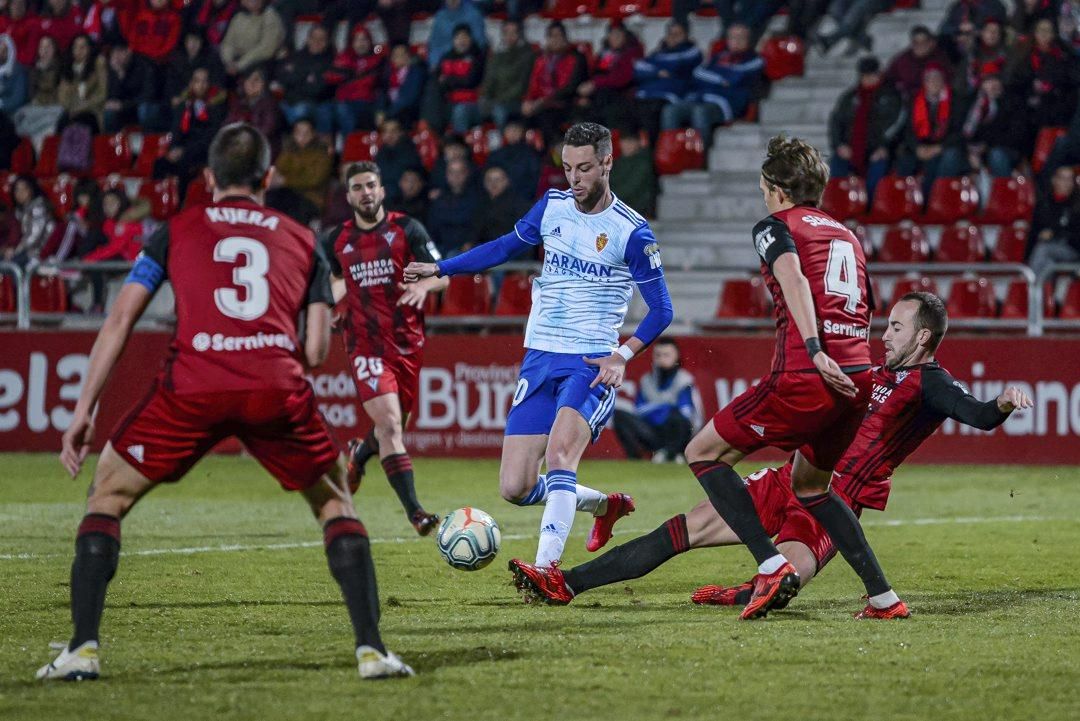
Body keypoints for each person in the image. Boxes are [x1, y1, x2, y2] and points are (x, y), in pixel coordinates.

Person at [36, 123, 413, 682]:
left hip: (193, 385)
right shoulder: (302, 239)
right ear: (266, 177)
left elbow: (120, 318)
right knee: (336, 503)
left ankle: (82, 651)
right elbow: (312, 352)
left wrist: (85, 409)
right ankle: (373, 652)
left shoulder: (175, 229)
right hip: (276, 388)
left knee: (107, 493)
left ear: (210, 178)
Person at [511, 293, 1033, 618]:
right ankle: (564, 583)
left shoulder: (931, 383)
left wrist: (1004, 402)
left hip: (833, 502)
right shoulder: (871, 373)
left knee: (783, 586)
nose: (884, 334)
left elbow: (979, 413)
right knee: (682, 530)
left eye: (895, 327)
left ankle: (746, 591)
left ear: (922, 336)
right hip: (790, 478)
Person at [405, 122, 674, 570]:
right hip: (541, 356)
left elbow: (662, 310)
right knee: (515, 487)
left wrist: (622, 355)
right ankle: (604, 506)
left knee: (561, 455)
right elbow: (504, 247)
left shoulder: (632, 232)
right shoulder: (552, 206)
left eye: (584, 168)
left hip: (590, 361)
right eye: (567, 167)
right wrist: (442, 269)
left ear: (608, 162)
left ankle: (546, 570)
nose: (574, 178)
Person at [319, 161, 445, 536]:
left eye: (371, 185)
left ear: (382, 190)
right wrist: (334, 307)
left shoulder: (407, 229)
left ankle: (359, 453)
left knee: (393, 428)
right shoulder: (335, 240)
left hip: (407, 344)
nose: (365, 193)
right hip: (365, 347)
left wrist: (424, 285)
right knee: (390, 425)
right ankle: (416, 513)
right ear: (349, 196)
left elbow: (442, 273)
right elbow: (334, 280)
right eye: (357, 188)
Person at [660, 23, 764, 143]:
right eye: (732, 37)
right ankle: (672, 152)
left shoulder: (754, 60)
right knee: (670, 110)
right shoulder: (718, 57)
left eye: (741, 37)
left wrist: (712, 77)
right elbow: (697, 73)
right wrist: (720, 80)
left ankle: (700, 156)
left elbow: (734, 79)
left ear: (749, 40)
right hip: (703, 98)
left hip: (728, 102)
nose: (736, 41)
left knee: (700, 112)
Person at [827, 55, 905, 201]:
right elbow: (836, 122)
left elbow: (897, 126)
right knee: (835, 168)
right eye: (865, 75)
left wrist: (884, 147)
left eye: (871, 75)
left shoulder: (891, 96)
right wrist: (839, 145)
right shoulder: (850, 97)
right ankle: (838, 205)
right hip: (852, 149)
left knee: (878, 171)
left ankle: (867, 205)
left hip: (879, 150)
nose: (868, 79)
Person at [613, 337, 700, 463]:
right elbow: (639, 410)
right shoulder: (646, 380)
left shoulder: (684, 380)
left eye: (666, 355)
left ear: (676, 357)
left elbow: (687, 414)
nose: (661, 359)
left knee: (677, 417)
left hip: (678, 434)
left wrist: (660, 409)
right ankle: (635, 459)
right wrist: (665, 407)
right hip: (654, 432)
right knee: (619, 416)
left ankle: (672, 453)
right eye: (658, 355)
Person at [895, 64, 967, 201]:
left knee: (944, 160)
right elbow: (907, 131)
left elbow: (960, 133)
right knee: (905, 161)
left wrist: (938, 148)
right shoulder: (915, 101)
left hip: (944, 146)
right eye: (929, 79)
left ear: (943, 81)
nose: (933, 83)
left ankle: (936, 201)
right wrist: (917, 148)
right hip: (920, 146)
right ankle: (904, 203)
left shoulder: (956, 101)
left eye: (937, 79)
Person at [521, 21, 587, 142]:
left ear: (565, 38)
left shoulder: (576, 58)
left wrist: (542, 102)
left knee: (546, 119)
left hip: (563, 103)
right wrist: (527, 101)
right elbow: (531, 83)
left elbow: (570, 87)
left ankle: (555, 155)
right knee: (517, 119)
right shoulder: (539, 58)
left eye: (559, 36)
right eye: (552, 36)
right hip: (539, 103)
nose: (555, 39)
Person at [274, 23, 335, 134]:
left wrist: (295, 74)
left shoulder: (331, 62)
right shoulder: (295, 56)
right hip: (290, 102)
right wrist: (306, 76)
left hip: (316, 104)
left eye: (322, 39)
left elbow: (317, 90)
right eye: (313, 37)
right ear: (308, 39)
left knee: (302, 110)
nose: (317, 42)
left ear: (327, 42)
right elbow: (281, 78)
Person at [479, 19, 535, 129]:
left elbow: (522, 85)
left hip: (516, 102)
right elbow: (489, 81)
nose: (509, 36)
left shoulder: (527, 56)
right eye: (506, 33)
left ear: (520, 34)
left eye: (513, 32)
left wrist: (498, 101)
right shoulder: (497, 56)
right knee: (468, 110)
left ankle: (501, 143)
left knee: (499, 110)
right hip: (495, 101)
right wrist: (485, 96)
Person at [1027, 165, 1080, 279]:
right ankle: (1044, 295)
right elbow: (1034, 232)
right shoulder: (1044, 204)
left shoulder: (1077, 204)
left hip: (1072, 250)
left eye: (1069, 179)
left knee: (1043, 250)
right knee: (1048, 263)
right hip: (1048, 250)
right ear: (1054, 180)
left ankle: (1030, 289)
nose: (1066, 183)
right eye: (1063, 178)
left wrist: (1054, 234)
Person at [426, 156, 481, 255]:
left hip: (467, 249)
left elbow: (478, 227)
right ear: (447, 175)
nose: (456, 176)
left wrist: (470, 242)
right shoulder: (438, 199)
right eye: (452, 172)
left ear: (467, 173)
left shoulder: (477, 198)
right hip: (441, 248)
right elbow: (432, 229)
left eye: (460, 172)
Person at [219, 0, 285, 79]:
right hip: (237, 61)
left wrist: (239, 65)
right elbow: (228, 43)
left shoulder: (270, 16)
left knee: (255, 68)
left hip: (262, 61)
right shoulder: (238, 17)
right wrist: (228, 61)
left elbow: (267, 49)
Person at [884, 25, 953, 99]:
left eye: (924, 42)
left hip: (935, 100)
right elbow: (889, 79)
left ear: (931, 43)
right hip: (908, 100)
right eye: (916, 42)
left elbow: (949, 81)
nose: (920, 46)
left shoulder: (941, 59)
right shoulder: (902, 60)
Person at [486, 116, 541, 202]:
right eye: (509, 130)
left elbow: (534, 180)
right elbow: (489, 178)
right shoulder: (495, 155)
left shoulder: (530, 154)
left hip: (522, 200)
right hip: (498, 199)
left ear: (522, 132)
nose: (513, 133)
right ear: (504, 132)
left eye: (516, 130)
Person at [610, 128, 658, 218]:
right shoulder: (616, 163)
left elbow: (631, 188)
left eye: (630, 141)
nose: (626, 145)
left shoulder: (644, 163)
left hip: (637, 211)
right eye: (623, 141)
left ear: (638, 142)